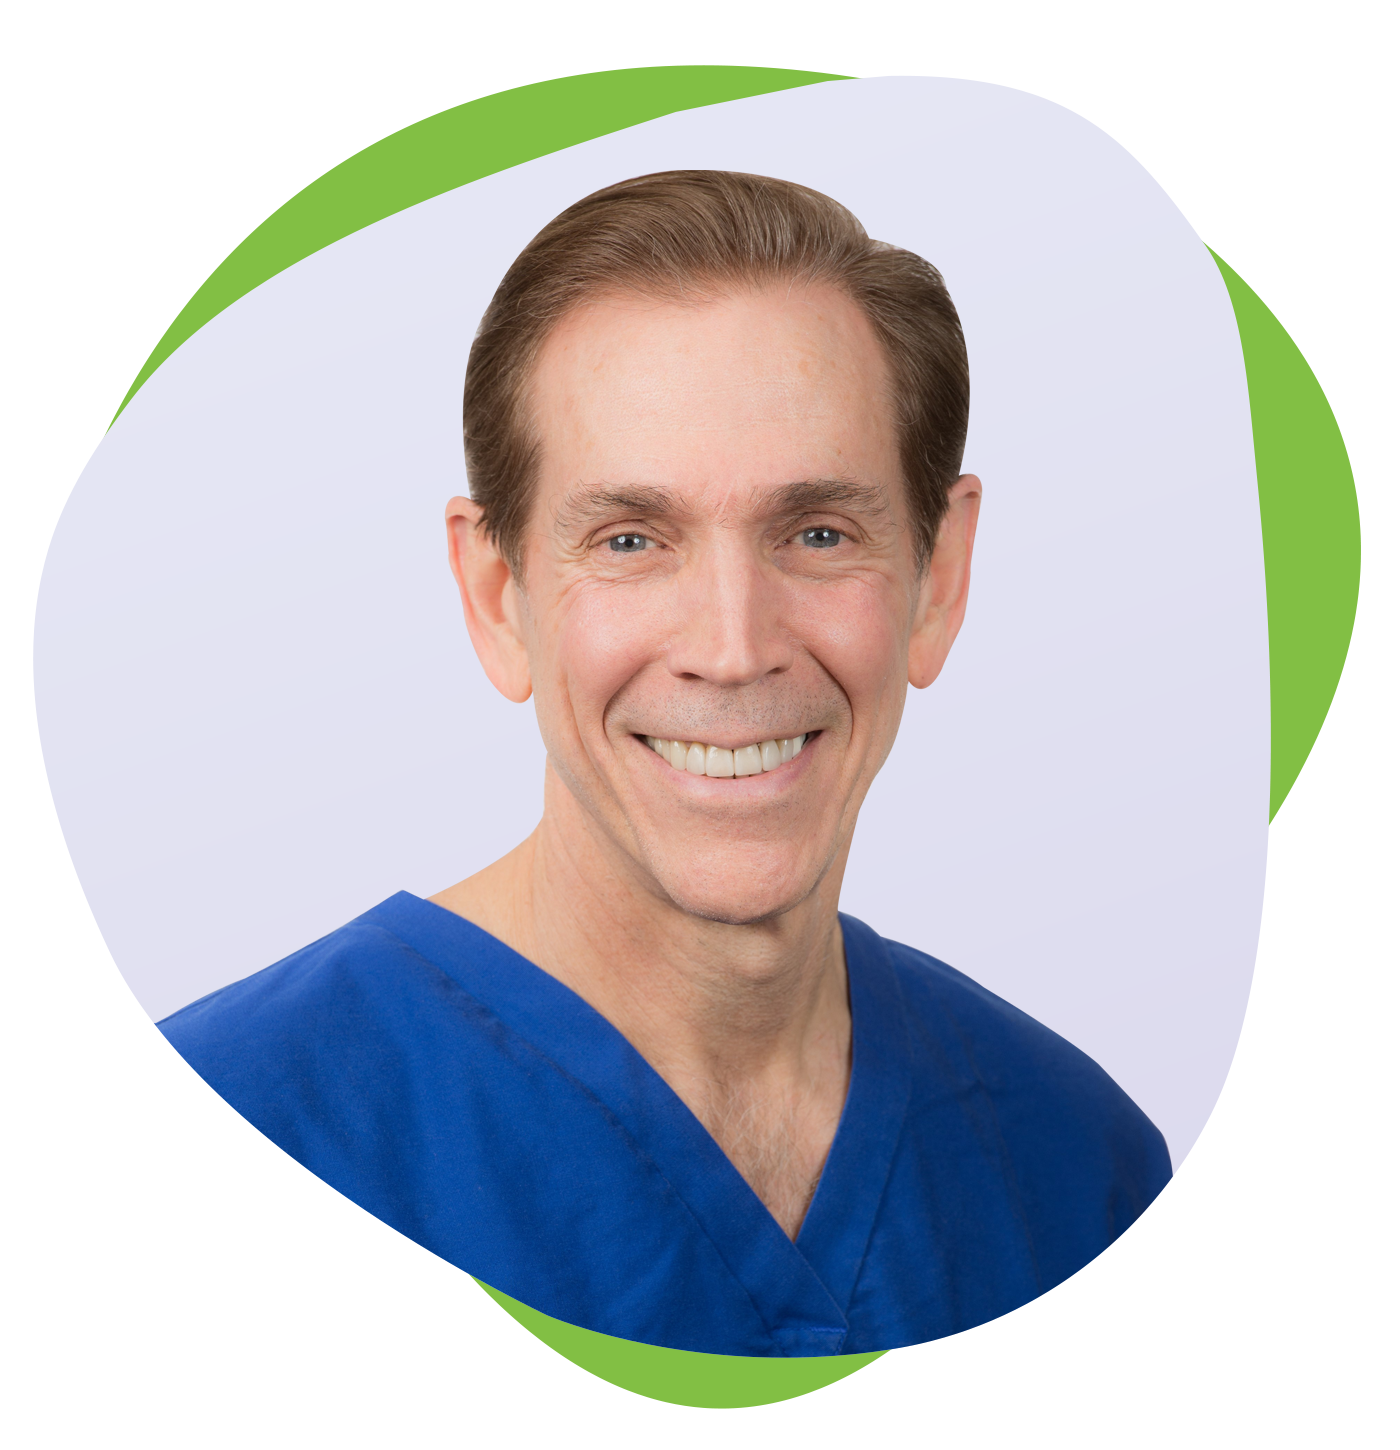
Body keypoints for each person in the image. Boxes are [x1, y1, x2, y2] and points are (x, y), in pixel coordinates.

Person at [154, 170, 1173, 1359]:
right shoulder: (201, 1151)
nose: (732, 648)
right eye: (630, 539)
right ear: (497, 596)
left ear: (935, 580)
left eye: (817, 532)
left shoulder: (1078, 1168)